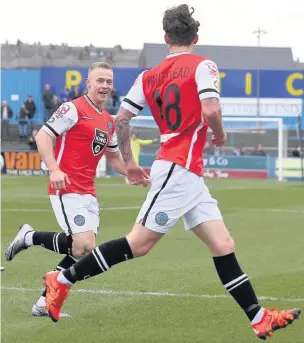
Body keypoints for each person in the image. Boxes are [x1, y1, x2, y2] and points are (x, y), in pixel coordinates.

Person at [26, 5, 304, 339]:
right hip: (178, 167)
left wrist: (128, 162)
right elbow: (211, 108)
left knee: (222, 242)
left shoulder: (149, 75)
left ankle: (258, 317)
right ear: (196, 38)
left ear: (165, 38)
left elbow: (122, 120)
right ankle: (61, 279)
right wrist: (220, 132)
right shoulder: (203, 65)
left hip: (186, 172)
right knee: (139, 243)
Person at [5, 62, 141, 317]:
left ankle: (43, 300)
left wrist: (133, 171)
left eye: (108, 82)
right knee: (84, 246)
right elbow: (43, 136)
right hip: (66, 187)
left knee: (81, 252)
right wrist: (54, 168)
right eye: (99, 80)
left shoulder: (109, 121)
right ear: (88, 83)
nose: (104, 86)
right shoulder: (72, 109)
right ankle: (29, 238)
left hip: (88, 191)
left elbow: (113, 158)